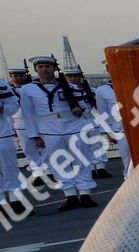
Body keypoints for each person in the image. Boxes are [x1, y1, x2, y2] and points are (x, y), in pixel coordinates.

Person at [19, 56, 99, 210]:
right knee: (58, 163)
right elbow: (28, 114)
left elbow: (86, 106)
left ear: (54, 69)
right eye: (41, 66)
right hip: (48, 129)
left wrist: (78, 109)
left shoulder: (70, 87)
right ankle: (70, 195)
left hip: (73, 125)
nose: (44, 69)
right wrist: (34, 136)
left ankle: (85, 193)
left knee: (81, 159)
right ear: (36, 69)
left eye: (47, 66)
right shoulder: (28, 89)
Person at [0, 74, 23, 213]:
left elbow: (13, 103)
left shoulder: (1, 84)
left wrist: (3, 110)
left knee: (9, 168)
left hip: (2, 133)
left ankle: (15, 201)